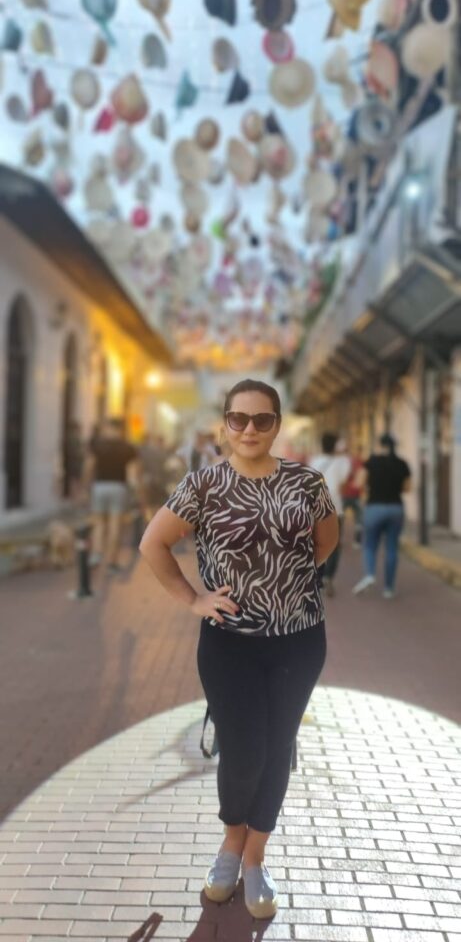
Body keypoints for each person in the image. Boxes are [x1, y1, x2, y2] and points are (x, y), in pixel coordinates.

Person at [139, 379, 338, 919]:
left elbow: (326, 541)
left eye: (262, 419)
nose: (250, 429)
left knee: (277, 745)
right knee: (244, 749)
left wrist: (286, 585)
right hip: (228, 644)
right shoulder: (203, 485)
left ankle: (255, 857)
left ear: (277, 424)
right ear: (225, 424)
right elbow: (154, 543)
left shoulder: (307, 482)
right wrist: (193, 599)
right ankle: (231, 842)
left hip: (299, 641)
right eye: (239, 419)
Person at [353, 433, 411, 599]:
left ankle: (370, 574)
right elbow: (407, 488)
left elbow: (359, 482)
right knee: (392, 547)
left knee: (370, 544)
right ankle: (389, 588)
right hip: (396, 508)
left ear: (379, 445)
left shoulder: (371, 462)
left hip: (374, 507)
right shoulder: (402, 464)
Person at [84, 417, 141, 573]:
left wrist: (86, 486)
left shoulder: (97, 445)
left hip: (99, 486)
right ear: (121, 430)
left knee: (98, 522)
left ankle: (96, 555)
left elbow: (89, 466)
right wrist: (136, 491)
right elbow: (133, 472)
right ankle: (112, 561)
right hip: (119, 487)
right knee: (116, 524)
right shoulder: (128, 447)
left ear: (108, 428)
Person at [310, 432, 350, 596]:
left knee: (315, 542)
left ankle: (316, 574)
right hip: (335, 507)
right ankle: (328, 576)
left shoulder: (315, 461)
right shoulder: (343, 462)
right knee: (334, 544)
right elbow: (343, 483)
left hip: (315, 508)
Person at [138, 433, 170, 522]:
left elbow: (139, 467)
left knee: (148, 504)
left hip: (146, 481)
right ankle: (156, 522)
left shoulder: (140, 452)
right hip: (160, 481)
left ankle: (149, 523)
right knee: (157, 503)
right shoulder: (162, 452)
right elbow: (167, 467)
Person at [341, 443, 365, 548]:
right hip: (355, 494)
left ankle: (338, 541)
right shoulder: (360, 462)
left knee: (340, 518)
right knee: (359, 519)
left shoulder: (343, 463)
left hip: (345, 494)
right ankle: (357, 541)